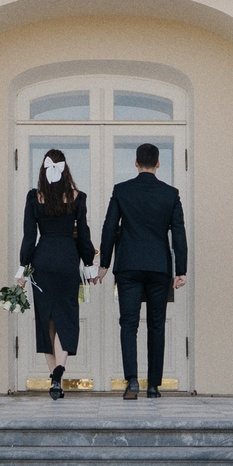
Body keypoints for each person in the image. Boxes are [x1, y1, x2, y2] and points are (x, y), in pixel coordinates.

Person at [94, 141, 187, 400]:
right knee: (156, 325)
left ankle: (132, 382)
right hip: (158, 267)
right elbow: (179, 233)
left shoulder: (122, 191)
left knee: (129, 323)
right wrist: (181, 269)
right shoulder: (170, 194)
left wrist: (104, 265)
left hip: (129, 267)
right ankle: (154, 386)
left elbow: (109, 227)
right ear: (158, 163)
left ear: (136, 163)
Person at [17, 149, 93, 400]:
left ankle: (54, 378)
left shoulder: (34, 197)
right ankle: (59, 372)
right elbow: (83, 236)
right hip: (68, 260)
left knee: (46, 319)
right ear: (66, 170)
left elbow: (29, 238)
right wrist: (90, 266)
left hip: (43, 260)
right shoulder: (77, 197)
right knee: (66, 317)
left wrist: (22, 270)